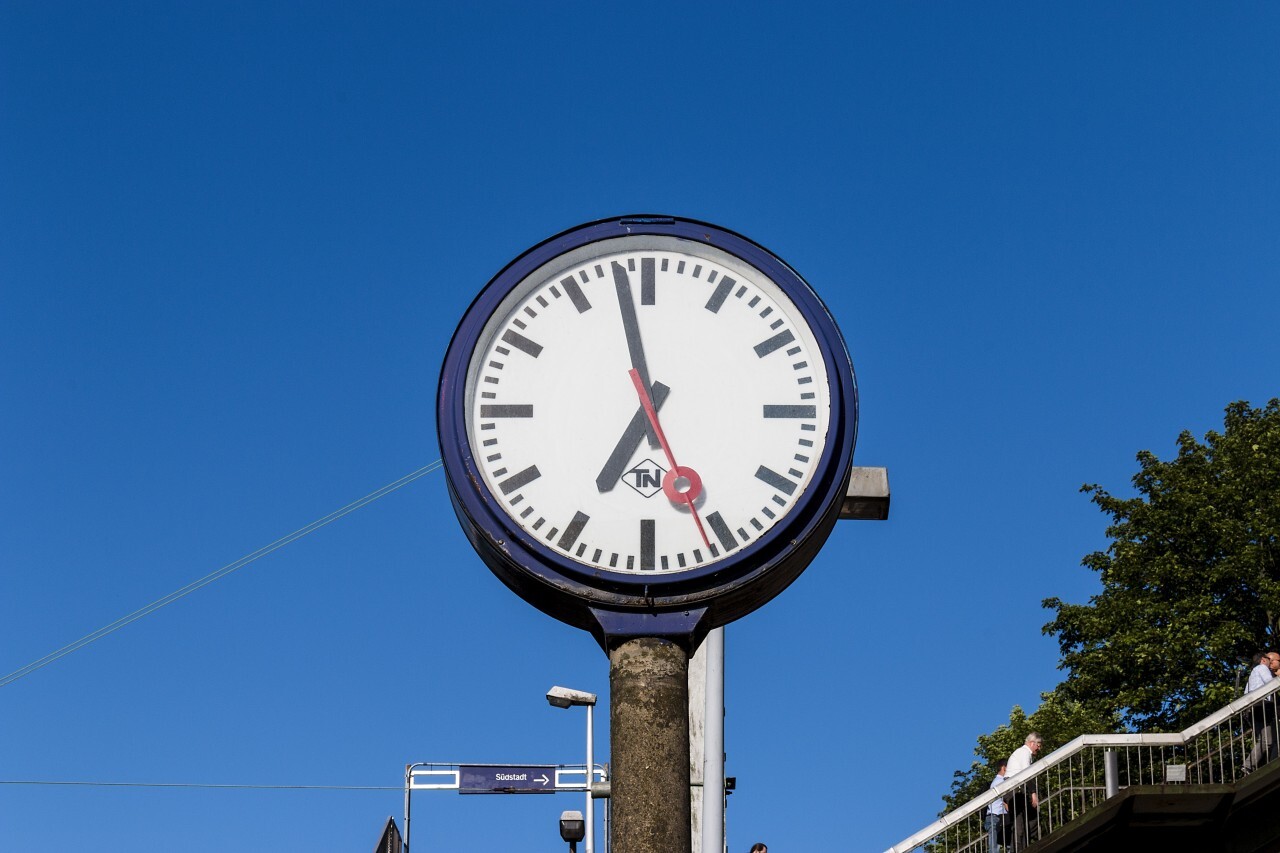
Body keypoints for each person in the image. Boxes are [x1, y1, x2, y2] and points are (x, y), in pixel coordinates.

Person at [1005, 732, 1042, 851]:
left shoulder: (1023, 753)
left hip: (1015, 789)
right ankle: (1019, 849)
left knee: (1025, 821)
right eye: (1038, 745)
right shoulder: (1024, 752)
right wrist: (1034, 794)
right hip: (1014, 790)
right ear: (1032, 743)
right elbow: (1027, 774)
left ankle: (1022, 846)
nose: (1039, 748)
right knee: (1019, 823)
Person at [1243, 651, 1279, 772]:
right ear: (1263, 660)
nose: (1270, 663)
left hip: (1253, 708)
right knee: (1268, 739)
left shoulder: (1255, 672)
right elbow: (1272, 683)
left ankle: (1249, 765)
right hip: (1261, 706)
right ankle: (1250, 764)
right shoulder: (1262, 668)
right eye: (1269, 659)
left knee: (1266, 739)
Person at [985, 759, 1009, 853]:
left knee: (996, 846)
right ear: (1004, 768)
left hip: (995, 816)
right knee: (995, 847)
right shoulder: (1000, 781)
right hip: (996, 816)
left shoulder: (996, 781)